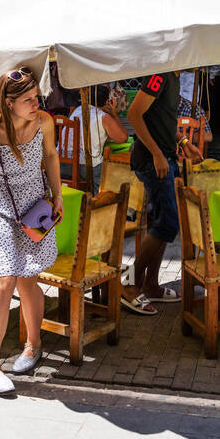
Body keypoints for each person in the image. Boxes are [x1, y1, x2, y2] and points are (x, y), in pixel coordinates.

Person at [0, 66, 64, 396]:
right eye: (28, 99)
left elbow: (50, 155)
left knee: (28, 278)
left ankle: (32, 346)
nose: (36, 104)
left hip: (34, 204)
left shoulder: (44, 122)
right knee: (4, 279)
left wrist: (57, 195)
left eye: (37, 97)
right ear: (8, 102)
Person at [121, 69, 181, 316]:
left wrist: (184, 143)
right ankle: (130, 285)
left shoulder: (174, 77)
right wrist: (156, 154)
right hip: (152, 160)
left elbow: (162, 120)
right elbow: (134, 115)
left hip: (166, 157)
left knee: (162, 224)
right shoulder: (160, 76)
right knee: (167, 224)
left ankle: (152, 285)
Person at [65, 84, 129, 192]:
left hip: (63, 164)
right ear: (106, 102)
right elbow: (123, 138)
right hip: (84, 167)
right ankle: (96, 201)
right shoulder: (104, 117)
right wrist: (113, 113)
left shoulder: (78, 109)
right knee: (108, 177)